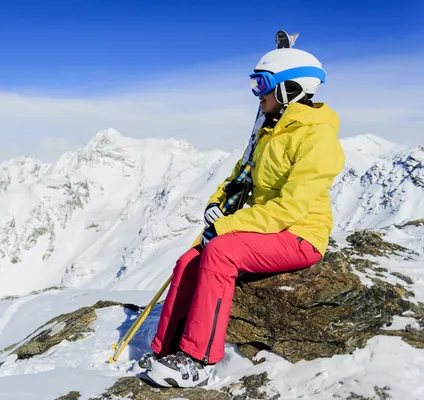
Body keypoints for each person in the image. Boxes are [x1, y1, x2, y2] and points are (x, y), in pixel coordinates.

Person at [135, 47, 346, 388]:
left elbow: (291, 209)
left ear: (288, 89)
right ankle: (166, 351)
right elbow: (241, 176)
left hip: (302, 236)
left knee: (221, 251)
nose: (257, 94)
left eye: (262, 84)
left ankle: (199, 360)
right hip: (270, 230)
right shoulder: (270, 131)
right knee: (190, 258)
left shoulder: (317, 138)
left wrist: (226, 227)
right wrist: (217, 204)